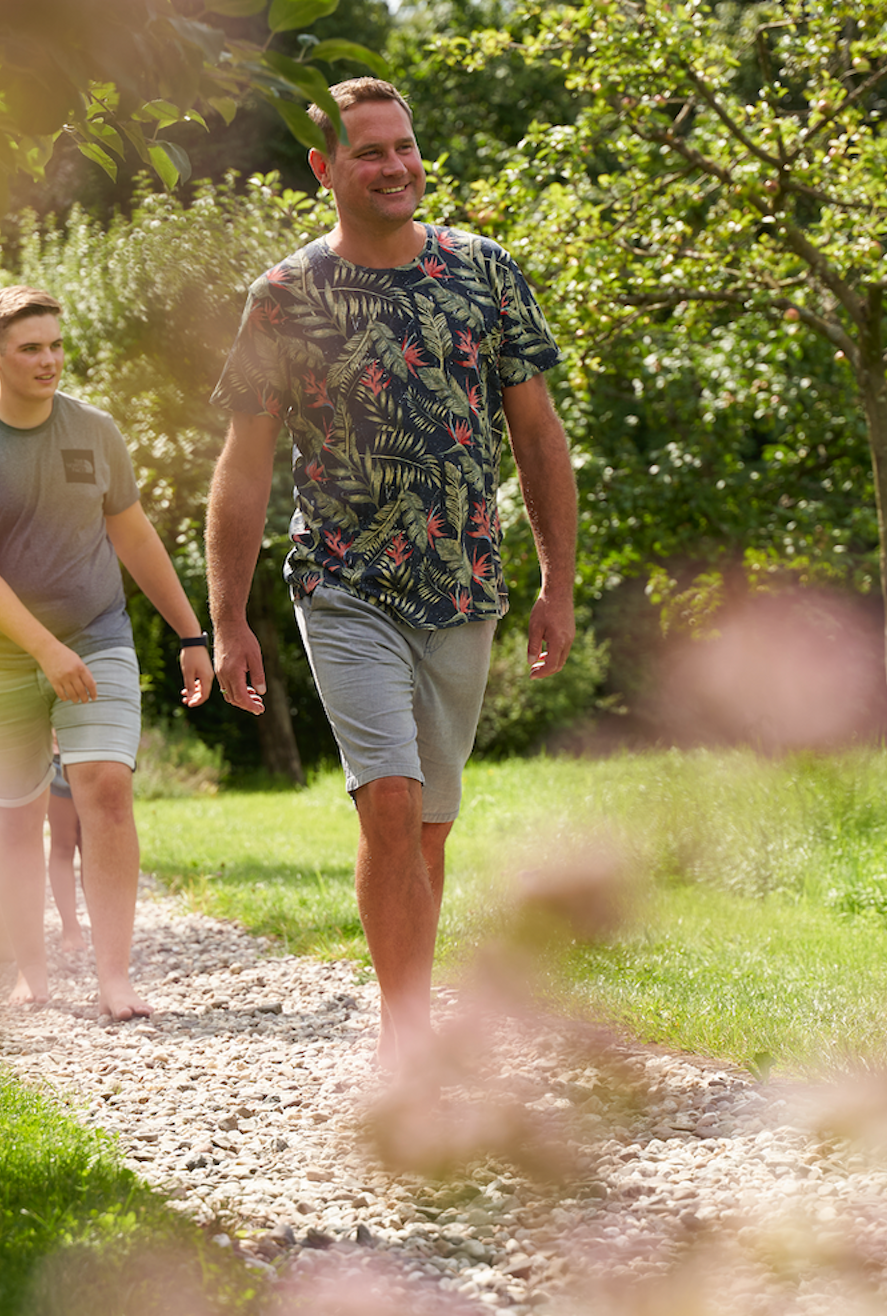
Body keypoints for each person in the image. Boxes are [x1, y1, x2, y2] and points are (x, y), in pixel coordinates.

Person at [204, 78, 578, 1070]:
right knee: (391, 801)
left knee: (429, 833)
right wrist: (228, 618)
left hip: (463, 581)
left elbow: (538, 435)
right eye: (368, 151)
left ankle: (407, 1014)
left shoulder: (483, 271)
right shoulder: (284, 297)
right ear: (324, 168)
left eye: (403, 146)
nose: (394, 165)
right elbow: (243, 467)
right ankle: (406, 1039)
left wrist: (558, 584)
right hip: (342, 580)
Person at [0, 285, 214, 1020]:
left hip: (96, 634)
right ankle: (33, 972)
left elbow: (133, 535)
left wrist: (192, 634)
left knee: (106, 790)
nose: (48, 360)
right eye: (31, 348)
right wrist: (44, 650)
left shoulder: (94, 430)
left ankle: (115, 978)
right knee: (17, 817)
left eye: (56, 345)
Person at [46, 746, 87, 953]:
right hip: (55, 754)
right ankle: (70, 928)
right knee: (63, 844)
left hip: (96, 752)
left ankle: (106, 927)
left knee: (94, 846)